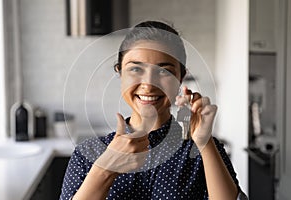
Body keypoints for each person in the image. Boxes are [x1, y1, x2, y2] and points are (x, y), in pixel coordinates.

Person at [60, 21, 247, 200]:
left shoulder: (202, 150)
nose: (148, 84)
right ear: (120, 73)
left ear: (181, 78)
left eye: (164, 71)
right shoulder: (87, 154)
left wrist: (204, 143)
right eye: (135, 69)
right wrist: (104, 169)